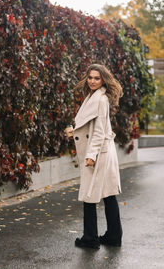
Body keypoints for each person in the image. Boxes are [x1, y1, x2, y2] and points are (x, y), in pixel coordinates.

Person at [72, 63, 123, 249]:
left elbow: (100, 131)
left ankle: (90, 238)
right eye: (90, 77)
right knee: (108, 194)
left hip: (98, 152)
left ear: (103, 80)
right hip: (103, 150)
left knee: (89, 194)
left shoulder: (100, 99)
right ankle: (113, 236)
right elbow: (90, 126)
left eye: (97, 78)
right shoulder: (92, 96)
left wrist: (91, 155)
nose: (92, 81)